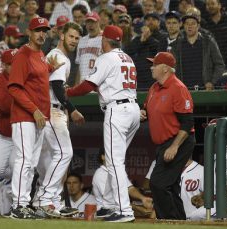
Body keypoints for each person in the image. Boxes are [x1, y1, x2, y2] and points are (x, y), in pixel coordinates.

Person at [66, 25, 140, 222]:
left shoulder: (106, 58)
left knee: (114, 162)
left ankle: (124, 210)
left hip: (117, 110)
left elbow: (88, 85)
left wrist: (68, 92)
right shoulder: (127, 58)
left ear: (104, 40)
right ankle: (111, 205)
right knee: (113, 162)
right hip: (132, 110)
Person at [7, 17, 62, 219]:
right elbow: (14, 87)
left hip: (39, 117)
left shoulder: (40, 54)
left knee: (31, 162)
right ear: (29, 32)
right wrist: (34, 110)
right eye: (38, 30)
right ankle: (18, 204)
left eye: (44, 30)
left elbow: (36, 77)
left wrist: (50, 68)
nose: (41, 34)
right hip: (25, 116)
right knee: (24, 160)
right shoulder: (23, 54)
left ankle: (24, 202)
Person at [32, 22, 85, 218]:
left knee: (48, 161)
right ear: (62, 36)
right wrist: (72, 110)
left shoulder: (54, 55)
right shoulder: (59, 56)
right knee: (65, 153)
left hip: (48, 110)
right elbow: (56, 86)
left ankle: (52, 202)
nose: (74, 40)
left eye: (77, 38)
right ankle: (44, 199)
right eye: (71, 36)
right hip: (52, 111)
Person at [141, 52, 195, 219]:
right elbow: (148, 108)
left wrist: (174, 146)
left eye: (154, 64)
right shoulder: (154, 87)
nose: (151, 67)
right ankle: (179, 221)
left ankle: (169, 221)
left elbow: (187, 123)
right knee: (170, 186)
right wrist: (144, 113)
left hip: (179, 142)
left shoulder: (178, 88)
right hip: (162, 144)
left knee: (158, 184)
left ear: (165, 68)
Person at [0, 49, 18, 215]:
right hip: (6, 132)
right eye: (11, 64)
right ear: (5, 64)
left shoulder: (26, 77)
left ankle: (21, 188)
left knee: (17, 164)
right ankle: (23, 177)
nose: (14, 67)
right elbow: (3, 105)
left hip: (22, 132)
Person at [92, 147, 154, 218]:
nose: (114, 157)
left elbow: (130, 189)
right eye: (111, 155)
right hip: (104, 213)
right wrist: (138, 208)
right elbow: (112, 201)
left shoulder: (118, 171)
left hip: (118, 211)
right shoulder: (101, 174)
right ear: (103, 157)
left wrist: (143, 198)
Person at [171, 12, 225, 90]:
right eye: (187, 23)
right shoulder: (176, 45)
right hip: (184, 90)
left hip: (205, 89)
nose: (189, 26)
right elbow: (172, 68)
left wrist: (212, 82)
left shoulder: (208, 42)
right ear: (183, 26)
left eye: (193, 23)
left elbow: (219, 65)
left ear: (198, 26)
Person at [75, 11, 102, 84]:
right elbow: (79, 66)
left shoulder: (104, 40)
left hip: (98, 83)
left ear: (98, 22)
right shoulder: (81, 41)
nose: (90, 25)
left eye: (93, 22)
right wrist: (76, 86)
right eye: (88, 22)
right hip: (83, 83)